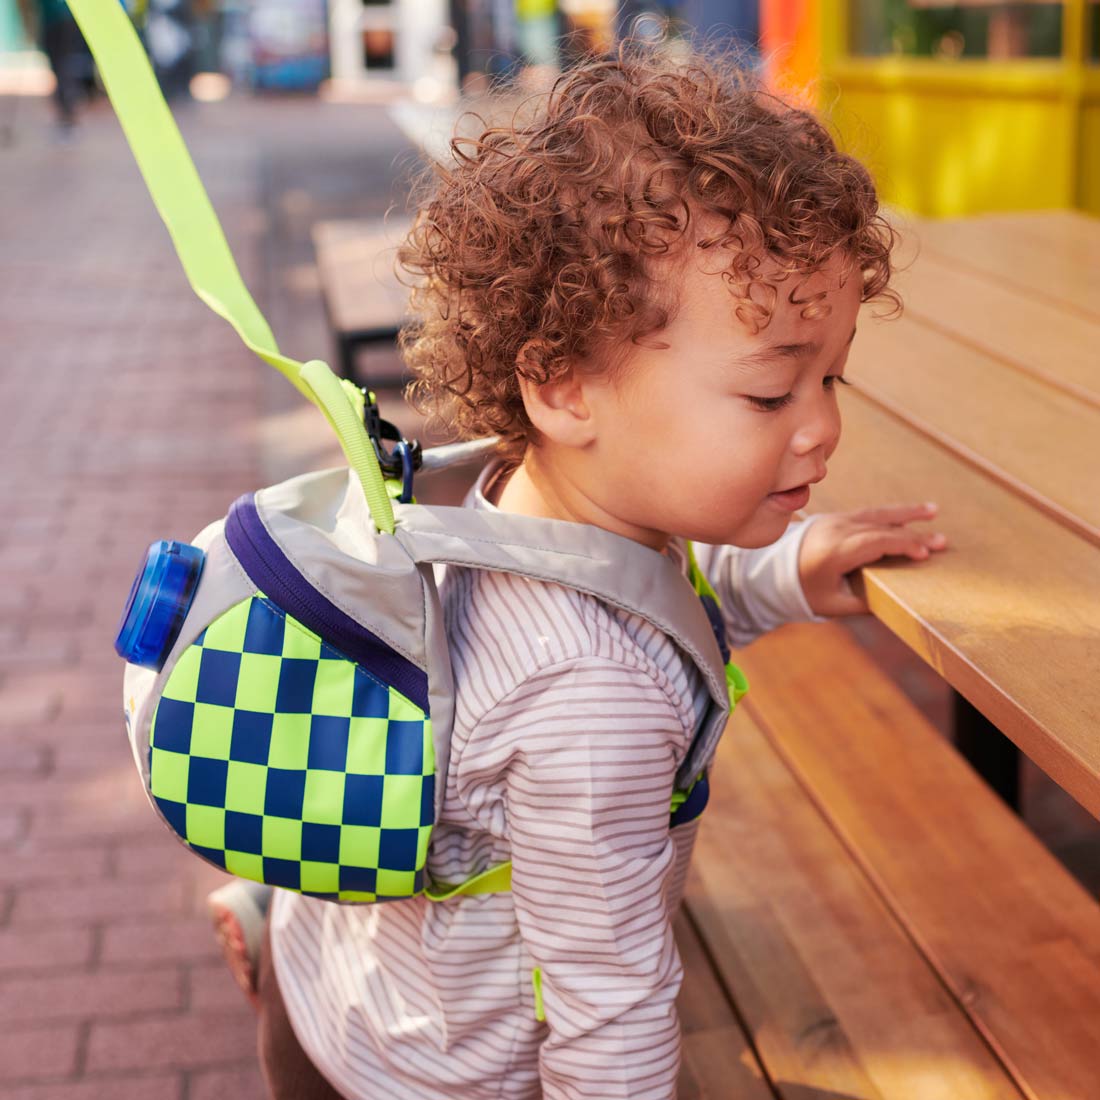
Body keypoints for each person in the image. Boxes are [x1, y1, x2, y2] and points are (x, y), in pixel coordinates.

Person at [209, 32, 947, 1099]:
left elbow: (655, 600)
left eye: (831, 377)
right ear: (563, 388)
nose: (820, 429)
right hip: (423, 1076)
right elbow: (610, 1006)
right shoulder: (589, 699)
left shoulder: (526, 500)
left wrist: (780, 572)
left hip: (340, 988)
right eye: (769, 393)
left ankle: (274, 917)